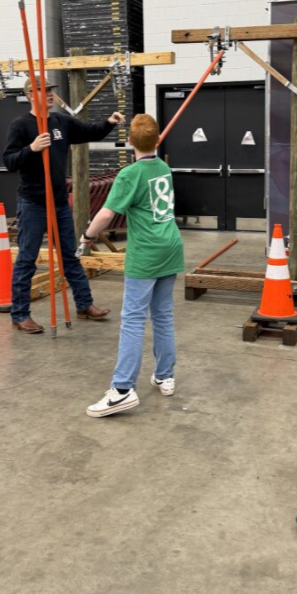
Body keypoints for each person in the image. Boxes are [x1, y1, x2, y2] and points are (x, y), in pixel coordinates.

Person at [3, 76, 126, 333]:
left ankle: (84, 305)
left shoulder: (60, 122)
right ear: (29, 95)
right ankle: (20, 314)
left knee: (70, 255)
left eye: (50, 90)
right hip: (33, 202)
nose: (50, 95)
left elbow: (89, 131)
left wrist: (108, 123)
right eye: (44, 91)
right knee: (27, 259)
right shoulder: (21, 125)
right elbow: (10, 161)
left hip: (58, 202)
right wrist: (32, 148)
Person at [82, 114, 185, 418]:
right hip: (170, 247)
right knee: (163, 315)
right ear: (157, 141)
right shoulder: (163, 168)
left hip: (146, 253)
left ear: (129, 142)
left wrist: (87, 237)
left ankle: (123, 389)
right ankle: (165, 375)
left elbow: (106, 214)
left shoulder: (129, 174)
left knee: (133, 319)